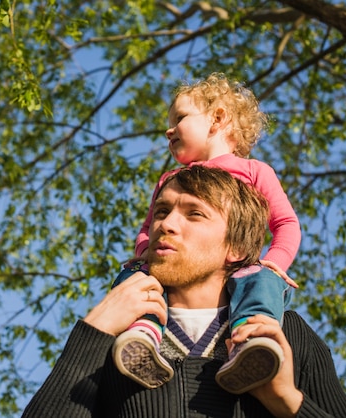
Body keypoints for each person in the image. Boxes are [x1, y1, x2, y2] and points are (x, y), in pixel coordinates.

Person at [21, 166, 346, 418]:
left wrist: (286, 400)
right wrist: (91, 334)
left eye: (195, 214)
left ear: (237, 248)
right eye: (162, 211)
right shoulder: (114, 336)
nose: (165, 225)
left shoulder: (283, 335)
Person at [111, 73, 301, 393]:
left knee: (264, 281)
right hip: (179, 267)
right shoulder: (172, 179)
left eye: (180, 118)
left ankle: (251, 343)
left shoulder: (255, 171)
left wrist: (275, 262)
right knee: (133, 275)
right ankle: (142, 334)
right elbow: (148, 228)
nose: (169, 130)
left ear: (217, 118)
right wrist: (146, 255)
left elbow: (285, 223)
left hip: (238, 269)